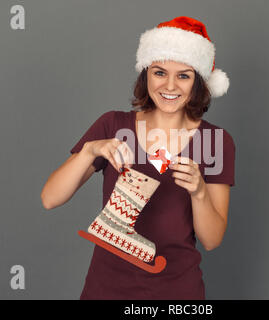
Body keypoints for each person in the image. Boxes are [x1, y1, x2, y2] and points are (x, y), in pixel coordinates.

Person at [41, 16, 235, 300]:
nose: (169, 86)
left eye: (183, 75)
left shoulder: (216, 142)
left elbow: (212, 239)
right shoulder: (113, 126)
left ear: (197, 82)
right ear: (146, 74)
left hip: (178, 291)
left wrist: (199, 191)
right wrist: (89, 151)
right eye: (159, 72)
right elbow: (50, 199)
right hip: (105, 289)